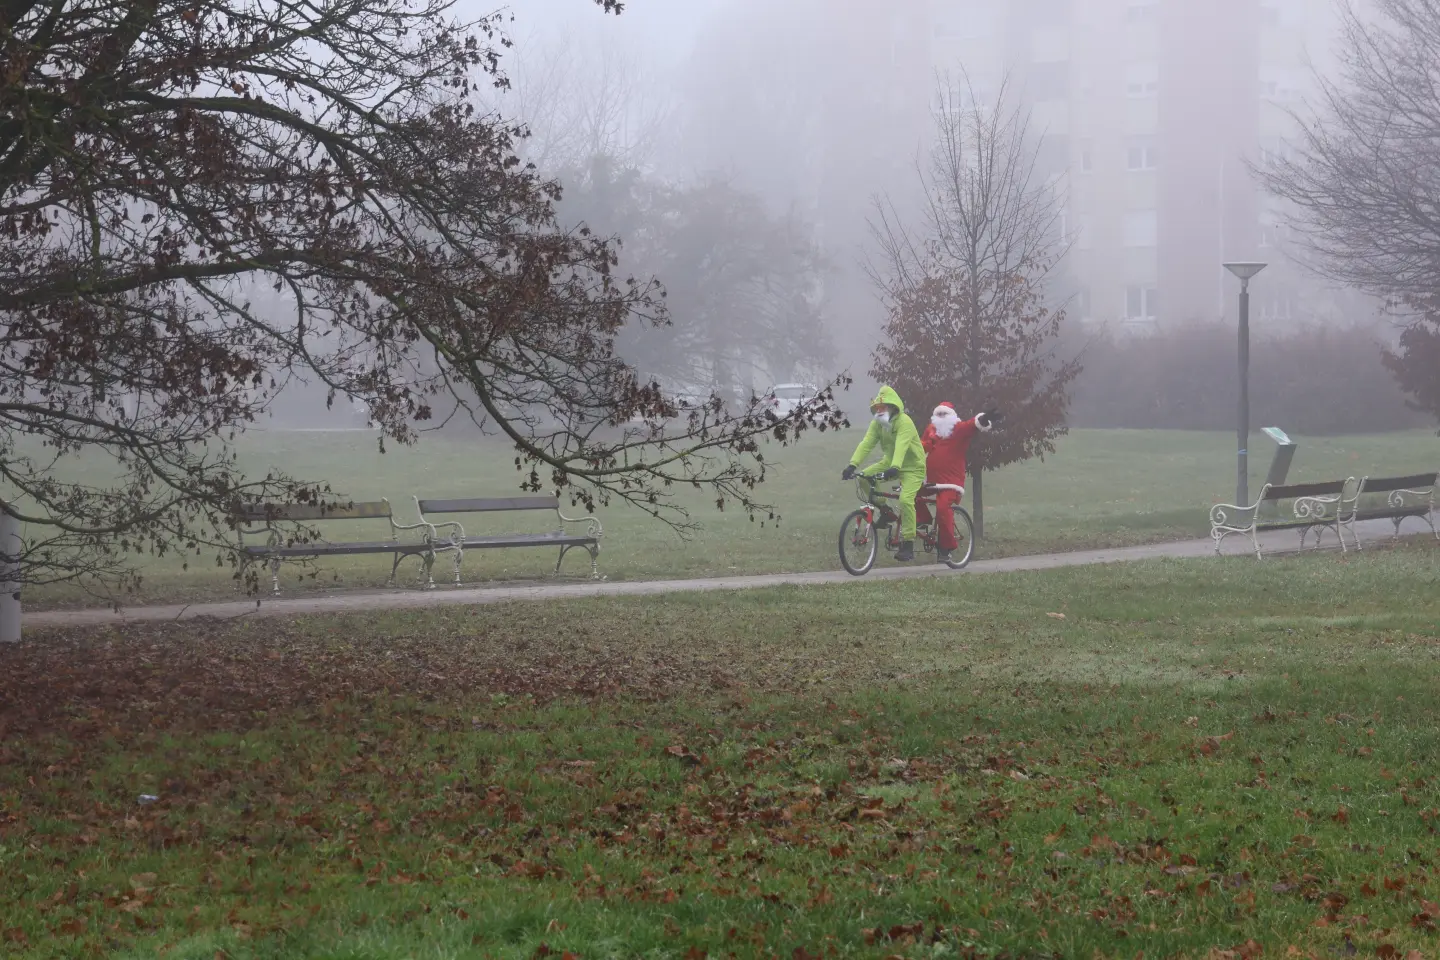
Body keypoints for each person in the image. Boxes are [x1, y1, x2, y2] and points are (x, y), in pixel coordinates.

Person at [841, 385, 927, 561]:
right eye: (877, 408)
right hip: (890, 463)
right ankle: (885, 509)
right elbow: (866, 443)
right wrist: (852, 465)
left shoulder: (905, 422)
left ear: (893, 406)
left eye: (883, 407)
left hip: (913, 467)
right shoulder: (877, 424)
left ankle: (908, 543)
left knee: (905, 499)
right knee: (864, 476)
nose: (879, 411)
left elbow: (902, 445)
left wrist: (895, 468)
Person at [917, 403, 999, 562]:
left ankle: (946, 547)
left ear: (951, 416)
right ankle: (924, 519)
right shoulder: (931, 430)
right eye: (938, 415)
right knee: (911, 494)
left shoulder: (958, 429)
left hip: (950, 482)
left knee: (942, 508)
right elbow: (922, 447)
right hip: (931, 479)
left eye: (944, 415)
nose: (940, 418)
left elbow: (971, 425)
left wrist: (983, 419)